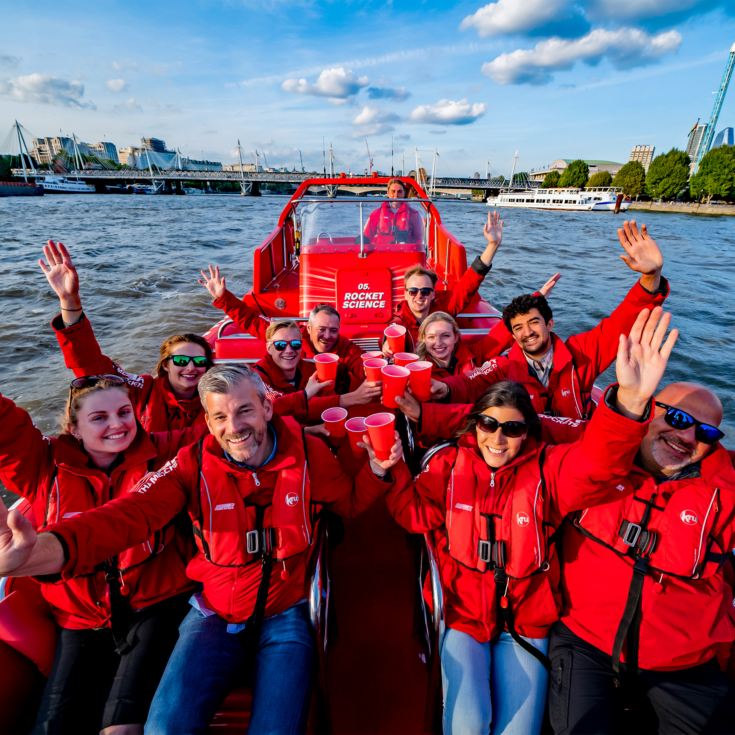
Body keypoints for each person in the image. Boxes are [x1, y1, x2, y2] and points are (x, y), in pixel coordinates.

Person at [0, 364, 403, 734]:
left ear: (266, 407)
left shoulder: (310, 454)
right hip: (213, 614)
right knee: (163, 729)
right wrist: (41, 551)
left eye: (244, 411)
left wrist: (378, 470)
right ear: (208, 423)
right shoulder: (188, 464)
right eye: (221, 417)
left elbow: (348, 504)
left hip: (287, 613)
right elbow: (125, 517)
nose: (235, 428)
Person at [380, 307, 678, 735]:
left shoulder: (549, 470)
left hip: (526, 619)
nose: (498, 439)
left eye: (513, 430)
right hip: (464, 614)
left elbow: (597, 468)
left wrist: (629, 404)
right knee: (469, 724)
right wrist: (392, 472)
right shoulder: (447, 466)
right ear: (474, 425)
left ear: (529, 433)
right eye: (488, 425)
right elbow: (415, 515)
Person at [0, 376, 200, 735]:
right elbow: (7, 427)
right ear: (74, 429)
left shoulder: (162, 452)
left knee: (121, 726)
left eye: (125, 412)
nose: (117, 424)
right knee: (52, 725)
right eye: (99, 417)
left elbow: (223, 425)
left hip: (155, 605)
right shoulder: (43, 466)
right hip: (79, 618)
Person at [548, 381, 735, 734]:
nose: (688, 436)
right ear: (650, 410)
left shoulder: (725, 494)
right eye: (678, 418)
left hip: (684, 664)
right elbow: (511, 420)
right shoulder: (596, 462)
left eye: (706, 431)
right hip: (586, 643)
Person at [433, 221, 669, 418]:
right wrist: (444, 388)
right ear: (513, 336)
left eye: (534, 322)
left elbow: (620, 324)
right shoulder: (504, 367)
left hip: (575, 452)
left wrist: (651, 277)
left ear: (550, 323)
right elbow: (470, 382)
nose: (527, 332)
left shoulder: (580, 355)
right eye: (518, 328)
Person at [41, 241, 212, 433]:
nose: (190, 367)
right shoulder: (143, 390)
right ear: (165, 365)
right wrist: (69, 300)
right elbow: (91, 364)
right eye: (181, 360)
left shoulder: (215, 399)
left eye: (198, 361)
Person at [200, 265, 365, 382]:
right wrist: (223, 298)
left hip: (327, 401)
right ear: (308, 328)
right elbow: (251, 321)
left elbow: (361, 364)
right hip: (295, 394)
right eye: (321, 329)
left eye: (333, 330)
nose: (327, 336)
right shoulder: (288, 335)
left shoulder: (344, 347)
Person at [389, 211, 505, 349]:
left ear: (433, 294)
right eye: (413, 291)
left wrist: (493, 245)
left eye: (425, 291)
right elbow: (388, 336)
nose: (419, 296)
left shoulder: (444, 309)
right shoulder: (399, 320)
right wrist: (386, 345)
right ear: (406, 294)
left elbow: (469, 284)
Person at [416, 275, 562, 379]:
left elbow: (500, 335)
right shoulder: (419, 370)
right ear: (424, 339)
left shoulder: (472, 355)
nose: (438, 342)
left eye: (445, 335)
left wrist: (538, 298)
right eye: (431, 337)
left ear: (455, 337)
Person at [254, 319, 381, 422]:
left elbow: (327, 404)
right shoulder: (256, 377)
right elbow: (274, 408)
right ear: (269, 348)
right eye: (280, 345)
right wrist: (306, 395)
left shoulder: (310, 371)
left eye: (295, 344)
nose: (289, 350)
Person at [362, 177, 425, 245]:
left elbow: (419, 241)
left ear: (404, 194)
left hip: (405, 253)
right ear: (388, 193)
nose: (396, 195)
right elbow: (366, 236)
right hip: (381, 253)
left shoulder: (414, 215)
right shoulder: (376, 214)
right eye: (393, 191)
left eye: (399, 192)